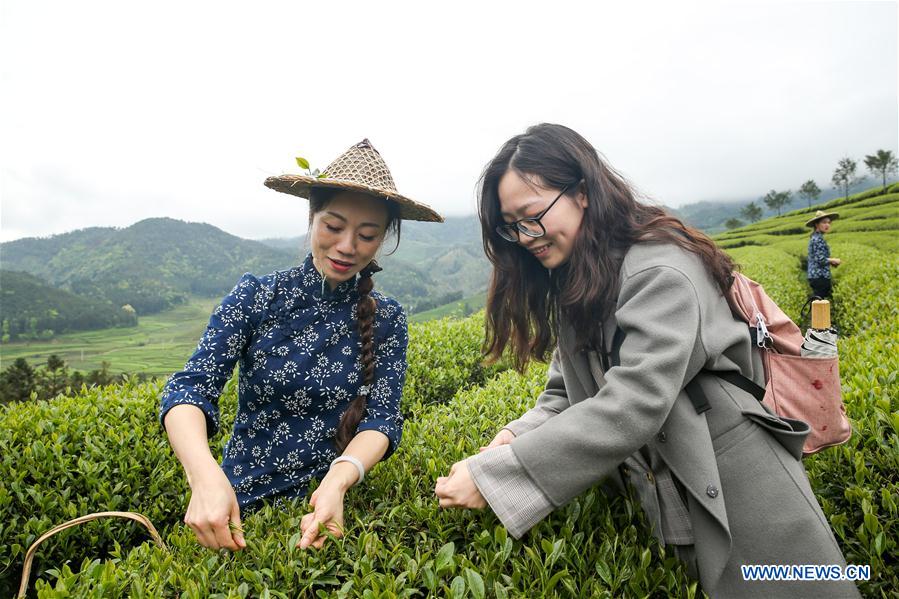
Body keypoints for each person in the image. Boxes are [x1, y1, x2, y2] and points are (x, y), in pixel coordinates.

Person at [434, 124, 859, 597]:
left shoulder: (658, 268)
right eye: (511, 226)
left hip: (740, 481)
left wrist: (498, 478)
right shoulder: (585, 277)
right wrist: (513, 439)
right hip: (675, 482)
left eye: (531, 216)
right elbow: (565, 391)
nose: (524, 236)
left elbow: (634, 401)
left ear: (582, 193)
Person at [160, 139, 442, 552]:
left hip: (333, 505)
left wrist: (338, 481)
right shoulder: (256, 296)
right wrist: (204, 477)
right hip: (240, 507)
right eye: (333, 227)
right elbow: (189, 390)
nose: (347, 246)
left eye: (367, 235)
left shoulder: (388, 319)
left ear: (383, 239)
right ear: (312, 217)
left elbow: (382, 421)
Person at [806, 210, 841, 299]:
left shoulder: (816, 237)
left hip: (817, 276)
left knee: (818, 302)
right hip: (819, 276)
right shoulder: (817, 239)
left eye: (829, 223)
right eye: (824, 222)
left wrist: (830, 261)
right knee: (819, 303)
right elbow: (820, 259)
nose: (827, 225)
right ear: (816, 225)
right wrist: (833, 260)